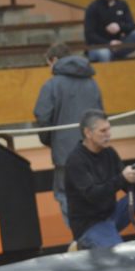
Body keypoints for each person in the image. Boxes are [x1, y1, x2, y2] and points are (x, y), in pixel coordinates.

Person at [65, 109, 135, 260]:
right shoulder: (75, 161)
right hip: (89, 224)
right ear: (88, 133)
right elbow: (93, 195)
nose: (108, 134)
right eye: (103, 131)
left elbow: (125, 186)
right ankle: (81, 244)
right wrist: (122, 178)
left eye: (109, 129)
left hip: (111, 214)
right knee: (118, 256)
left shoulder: (109, 153)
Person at [33, 42, 104, 223]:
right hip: (93, 150)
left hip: (65, 153)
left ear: (54, 60)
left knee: (65, 194)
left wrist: (50, 141)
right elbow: (101, 116)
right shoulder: (92, 82)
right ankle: (97, 234)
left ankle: (81, 235)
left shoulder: (51, 85)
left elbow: (43, 118)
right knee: (94, 193)